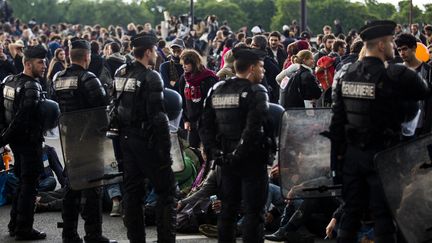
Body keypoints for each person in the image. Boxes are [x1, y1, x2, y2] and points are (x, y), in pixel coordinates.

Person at [329, 20, 430, 243]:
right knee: (384, 216)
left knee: (351, 215)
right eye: (392, 42)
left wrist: (338, 162)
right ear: (382, 45)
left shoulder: (347, 74)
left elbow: (337, 121)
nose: (394, 47)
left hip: (352, 157)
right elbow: (422, 93)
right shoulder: (394, 75)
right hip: (383, 156)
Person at [200, 46, 273, 243]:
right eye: (261, 67)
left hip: (225, 160)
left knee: (227, 211)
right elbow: (253, 130)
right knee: (253, 213)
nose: (263, 71)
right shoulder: (256, 91)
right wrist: (236, 154)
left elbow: (205, 126)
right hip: (251, 161)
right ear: (251, 68)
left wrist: (215, 153)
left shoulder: (217, 89)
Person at [111, 32, 176, 243]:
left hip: (126, 139)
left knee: (133, 192)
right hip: (146, 140)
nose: (157, 54)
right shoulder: (151, 76)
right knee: (166, 192)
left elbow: (115, 106)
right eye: (155, 50)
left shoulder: (121, 72)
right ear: (148, 51)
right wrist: (165, 154)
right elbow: (158, 118)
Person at [52, 39, 114, 243]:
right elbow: (102, 112)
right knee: (93, 190)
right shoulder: (89, 78)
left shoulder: (58, 78)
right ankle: (93, 235)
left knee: (71, 189)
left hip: (68, 140)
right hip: (88, 142)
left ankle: (68, 234)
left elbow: (57, 107)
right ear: (87, 56)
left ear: (70, 55)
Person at [2, 45, 48, 240]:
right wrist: (3, 139)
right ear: (28, 64)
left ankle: (15, 225)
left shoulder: (9, 81)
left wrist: (4, 137)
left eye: (45, 61)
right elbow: (21, 118)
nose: (44, 65)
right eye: (40, 62)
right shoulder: (31, 86)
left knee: (23, 183)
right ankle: (23, 228)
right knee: (29, 186)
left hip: (17, 142)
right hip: (28, 143)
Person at [179, 49, 218, 148]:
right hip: (191, 121)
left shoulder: (209, 78)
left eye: (186, 63)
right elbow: (182, 100)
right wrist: (185, 119)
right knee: (193, 150)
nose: (183, 66)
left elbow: (212, 102)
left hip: (206, 122)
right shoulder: (184, 78)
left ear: (194, 63)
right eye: (183, 64)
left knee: (209, 150)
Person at [395, 33, 432, 135]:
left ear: (414, 48)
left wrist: (427, 127)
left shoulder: (428, 71)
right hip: (401, 127)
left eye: (405, 49)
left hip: (422, 128)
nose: (402, 53)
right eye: (399, 50)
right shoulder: (396, 72)